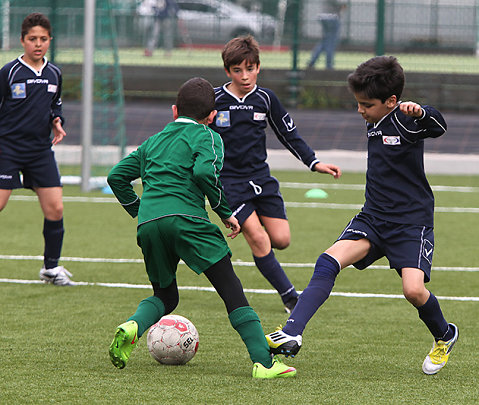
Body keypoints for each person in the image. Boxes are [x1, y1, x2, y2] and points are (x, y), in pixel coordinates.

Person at [266, 56, 458, 376]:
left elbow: (438, 126)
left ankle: (444, 334)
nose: (360, 110)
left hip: (411, 222)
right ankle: (292, 331)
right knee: (328, 260)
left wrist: (422, 111)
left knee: (413, 291)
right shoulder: (374, 117)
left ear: (391, 101)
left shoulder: (407, 120)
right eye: (358, 103)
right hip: (373, 217)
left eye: (366, 104)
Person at [107, 77, 296, 379]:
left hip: (149, 225)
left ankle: (133, 326)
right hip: (189, 221)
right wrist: (224, 212)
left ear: (174, 111)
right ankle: (264, 363)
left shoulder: (152, 141)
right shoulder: (208, 137)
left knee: (166, 296)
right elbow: (205, 171)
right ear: (212, 116)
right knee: (231, 290)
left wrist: (140, 211)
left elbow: (116, 177)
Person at [209, 35, 341, 313]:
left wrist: (314, 162)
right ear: (227, 71)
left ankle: (255, 231)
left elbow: (288, 134)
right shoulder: (215, 99)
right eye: (237, 70)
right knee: (258, 238)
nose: (245, 76)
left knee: (281, 240)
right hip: (229, 183)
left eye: (250, 68)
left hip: (262, 180)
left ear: (258, 66)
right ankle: (290, 296)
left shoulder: (266, 99)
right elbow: (194, 132)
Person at [0, 13, 73, 286]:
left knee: (55, 208)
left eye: (43, 39)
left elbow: (56, 105)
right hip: (7, 148)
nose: (38, 44)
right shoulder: (9, 73)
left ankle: (51, 269)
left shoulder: (55, 73)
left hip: (40, 151)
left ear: (49, 40)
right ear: (22, 41)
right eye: (32, 39)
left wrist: (57, 122)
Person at [306, 0, 347, 70]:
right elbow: (342, 5)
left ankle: (312, 61)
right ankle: (329, 65)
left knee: (324, 42)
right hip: (333, 17)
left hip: (323, 16)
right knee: (330, 43)